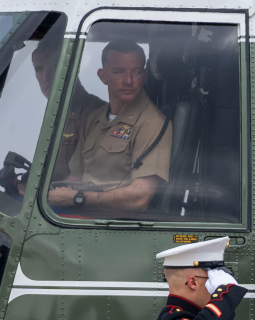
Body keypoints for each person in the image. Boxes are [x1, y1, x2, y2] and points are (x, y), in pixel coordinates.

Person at [48, 40, 171, 214]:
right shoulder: (94, 119)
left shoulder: (152, 123)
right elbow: (75, 178)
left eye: (135, 72)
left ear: (144, 75)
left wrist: (77, 199)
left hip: (110, 224)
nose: (129, 81)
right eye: (119, 72)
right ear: (103, 76)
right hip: (78, 216)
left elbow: (140, 198)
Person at [31, 34, 104, 183]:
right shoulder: (56, 114)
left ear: (72, 68)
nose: (46, 77)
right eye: (39, 69)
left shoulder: (96, 114)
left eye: (54, 66)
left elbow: (87, 180)